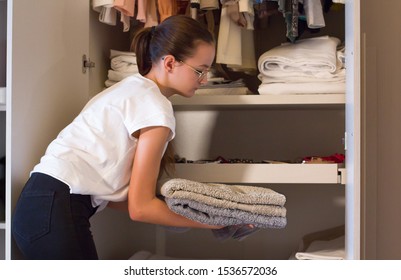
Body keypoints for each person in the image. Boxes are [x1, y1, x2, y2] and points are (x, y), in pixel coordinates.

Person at [11, 15, 220, 260]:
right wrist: (214, 223)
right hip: (57, 211)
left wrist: (176, 213)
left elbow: (117, 198)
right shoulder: (155, 108)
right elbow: (140, 209)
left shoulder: (129, 90)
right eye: (200, 71)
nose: (204, 81)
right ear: (171, 63)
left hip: (37, 207)